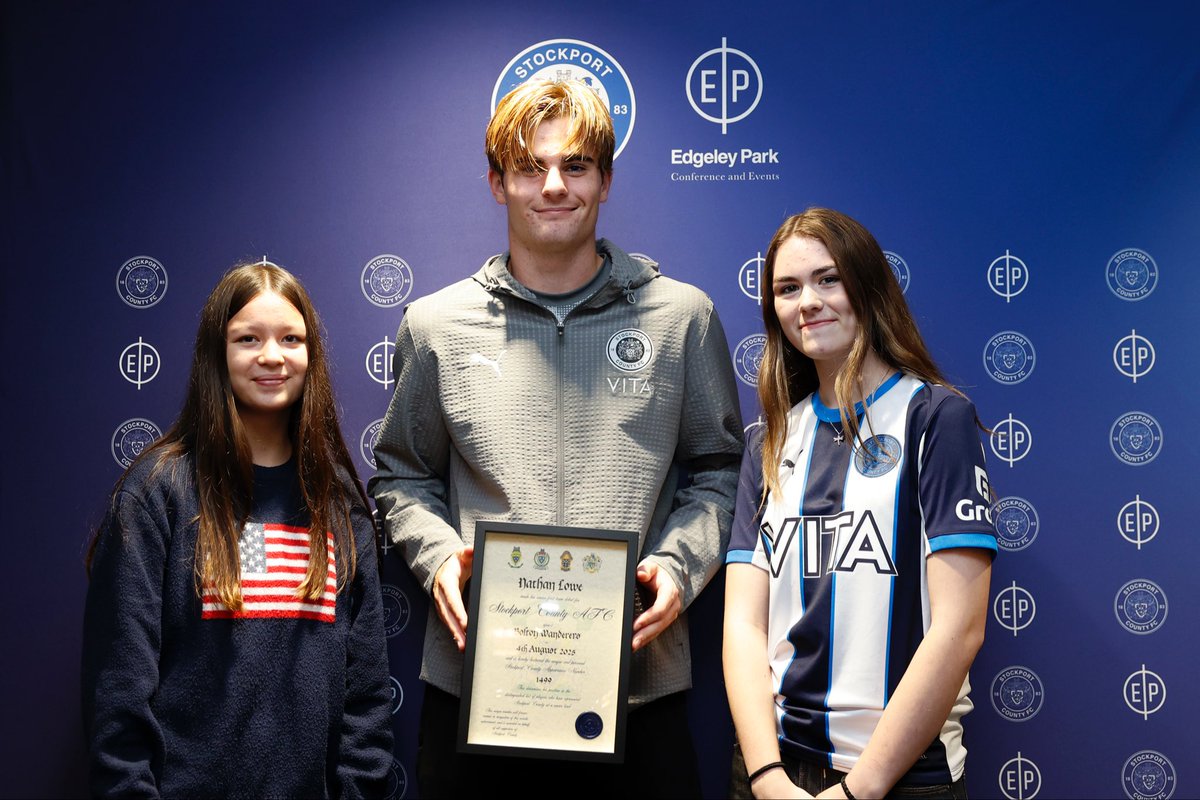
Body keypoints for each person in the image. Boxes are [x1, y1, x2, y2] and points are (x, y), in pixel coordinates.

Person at [369, 78, 744, 797]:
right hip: (478, 687)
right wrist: (441, 556)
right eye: (529, 167)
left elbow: (719, 472)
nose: (553, 186)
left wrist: (678, 566)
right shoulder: (436, 324)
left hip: (638, 689)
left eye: (575, 166)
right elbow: (401, 477)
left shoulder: (681, 317)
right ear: (496, 182)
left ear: (605, 179)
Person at [82, 262, 394, 799]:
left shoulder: (338, 500)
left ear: (310, 355)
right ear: (216, 353)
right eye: (247, 338)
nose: (271, 356)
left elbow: (366, 699)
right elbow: (118, 694)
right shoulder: (158, 492)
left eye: (290, 339)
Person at [723, 208, 995, 799]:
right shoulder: (767, 441)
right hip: (774, 772)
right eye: (788, 289)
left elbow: (959, 627)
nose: (808, 302)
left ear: (867, 287)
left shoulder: (935, 419)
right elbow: (743, 624)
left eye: (829, 279)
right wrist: (766, 777)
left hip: (899, 778)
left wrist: (860, 789)